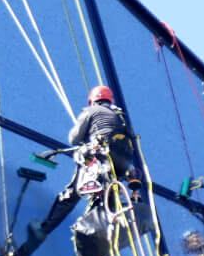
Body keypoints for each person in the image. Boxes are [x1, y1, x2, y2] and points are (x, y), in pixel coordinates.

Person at [30, 85, 136, 241]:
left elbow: (74, 138)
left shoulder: (91, 111)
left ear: (93, 100)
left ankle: (45, 229)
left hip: (100, 155)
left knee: (71, 194)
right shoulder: (120, 117)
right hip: (123, 162)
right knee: (109, 196)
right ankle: (103, 234)